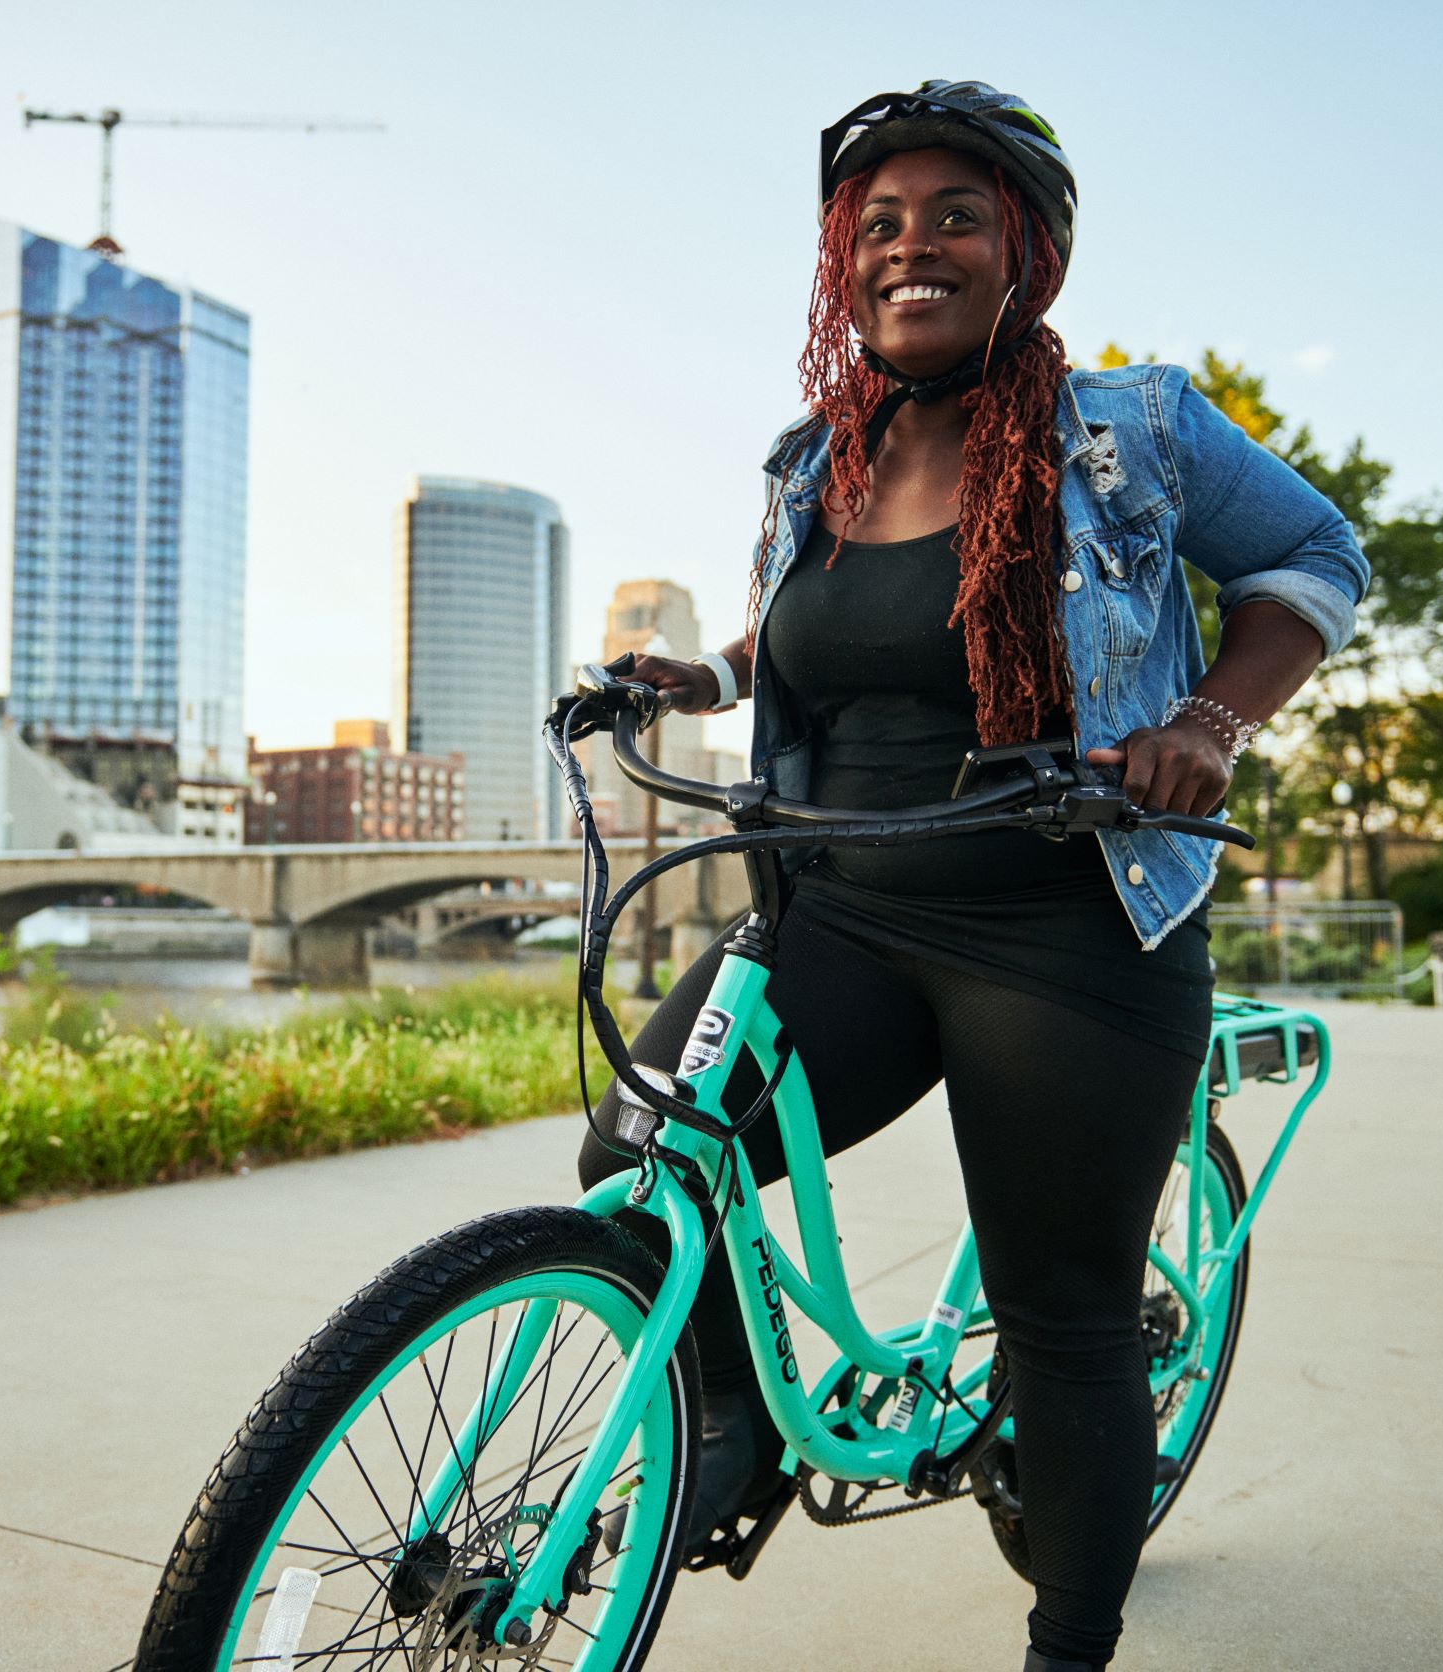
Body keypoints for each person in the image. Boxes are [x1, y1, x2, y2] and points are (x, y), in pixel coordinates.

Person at [574, 81, 1369, 1671]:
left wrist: (1210, 721)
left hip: (1058, 923)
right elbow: (830, 640)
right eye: (875, 224)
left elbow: (1317, 562)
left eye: (953, 216)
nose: (908, 247)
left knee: (1063, 1322)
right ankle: (726, 1422)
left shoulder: (1136, 427)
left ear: (1029, 250)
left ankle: (1069, 1639)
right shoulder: (818, 456)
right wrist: (704, 683)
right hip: (837, 903)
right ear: (840, 265)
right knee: (635, 1147)